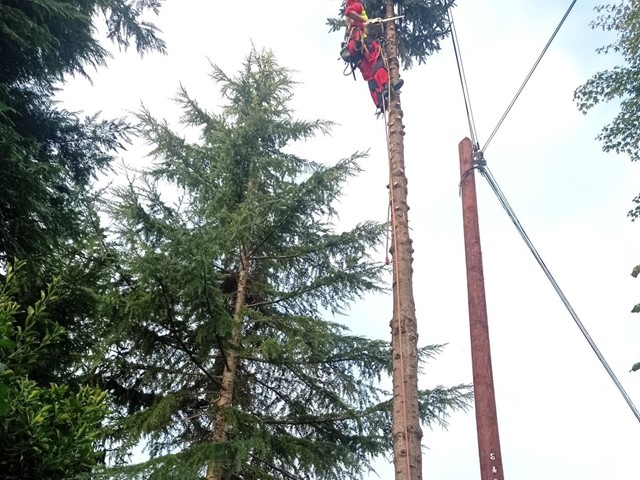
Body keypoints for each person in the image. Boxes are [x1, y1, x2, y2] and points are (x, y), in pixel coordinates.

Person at [342, 0, 403, 111]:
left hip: (353, 49)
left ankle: (379, 101)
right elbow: (349, 12)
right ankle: (386, 86)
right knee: (377, 61)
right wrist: (366, 21)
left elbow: (348, 15)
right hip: (361, 39)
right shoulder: (357, 5)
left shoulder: (350, 13)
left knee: (370, 74)